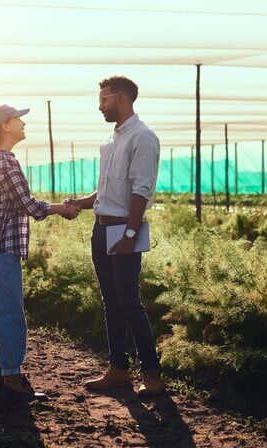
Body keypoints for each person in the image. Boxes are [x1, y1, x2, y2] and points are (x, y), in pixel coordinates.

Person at [0, 104, 80, 404]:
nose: (23, 123)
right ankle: (13, 380)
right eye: (19, 119)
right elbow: (28, 205)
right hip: (1, 246)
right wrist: (62, 208)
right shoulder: (5, 163)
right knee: (8, 312)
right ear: (5, 126)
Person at [65, 76, 164, 396]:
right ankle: (118, 369)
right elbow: (106, 191)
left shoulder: (143, 137)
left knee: (129, 302)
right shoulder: (111, 142)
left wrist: (131, 234)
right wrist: (80, 203)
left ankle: (152, 376)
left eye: (104, 100)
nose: (100, 106)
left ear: (122, 99)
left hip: (123, 229)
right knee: (111, 302)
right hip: (102, 229)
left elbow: (141, 191)